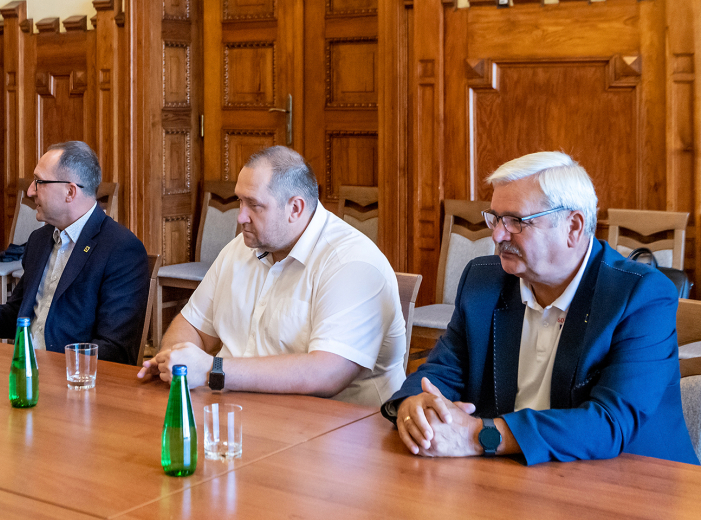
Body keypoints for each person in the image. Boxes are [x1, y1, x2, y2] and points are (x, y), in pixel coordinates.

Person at [383, 151, 699, 465]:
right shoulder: (484, 280)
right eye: (494, 218)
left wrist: (481, 435)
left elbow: (609, 422)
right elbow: (442, 371)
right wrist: (416, 406)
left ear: (573, 226)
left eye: (515, 221)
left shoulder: (641, 295)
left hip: (634, 485)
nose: (497, 235)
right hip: (514, 476)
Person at [138, 145, 407, 408]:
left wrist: (213, 369)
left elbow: (326, 373)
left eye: (254, 205)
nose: (240, 216)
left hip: (337, 432)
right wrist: (178, 364)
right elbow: (193, 326)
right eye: (239, 201)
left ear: (295, 209)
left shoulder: (351, 262)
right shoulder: (240, 249)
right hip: (241, 414)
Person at [0, 141, 150, 365]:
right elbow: (18, 314)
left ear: (70, 191)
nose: (30, 191)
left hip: (76, 384)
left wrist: (50, 368)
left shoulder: (121, 249)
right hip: (25, 370)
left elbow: (114, 349)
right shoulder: (40, 239)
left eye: (39, 182)